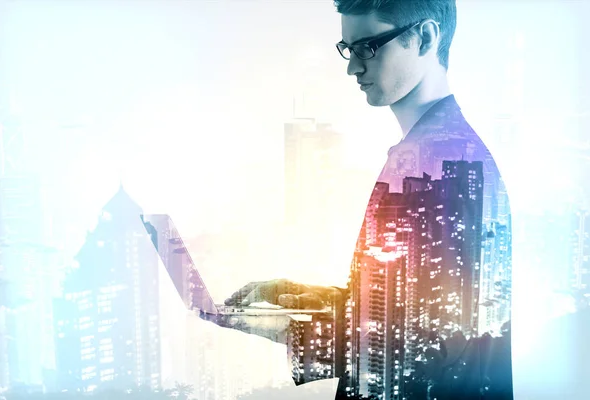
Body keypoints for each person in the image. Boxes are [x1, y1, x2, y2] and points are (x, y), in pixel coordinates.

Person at [217, 1, 513, 399]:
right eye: (348, 49)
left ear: (425, 37)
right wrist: (291, 293)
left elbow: (436, 343)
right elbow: (395, 305)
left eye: (368, 47)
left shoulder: (446, 168)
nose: (352, 68)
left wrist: (290, 329)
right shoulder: (430, 155)